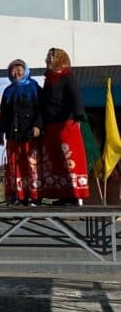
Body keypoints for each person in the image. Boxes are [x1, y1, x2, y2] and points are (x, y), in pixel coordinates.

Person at [41, 48, 89, 205]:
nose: (49, 58)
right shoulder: (48, 79)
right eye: (48, 56)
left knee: (68, 159)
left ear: (60, 58)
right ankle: (63, 195)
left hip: (66, 124)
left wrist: (78, 112)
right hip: (51, 125)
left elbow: (75, 95)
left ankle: (74, 196)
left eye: (52, 55)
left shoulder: (67, 76)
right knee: (56, 160)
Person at [0, 59, 43, 206]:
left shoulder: (34, 87)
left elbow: (41, 110)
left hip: (30, 133)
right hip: (13, 134)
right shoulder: (8, 90)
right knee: (15, 165)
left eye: (19, 70)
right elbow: (4, 113)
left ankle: (34, 197)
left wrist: (38, 126)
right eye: (13, 70)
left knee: (31, 164)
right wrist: (1, 133)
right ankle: (19, 196)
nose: (16, 73)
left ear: (26, 71)